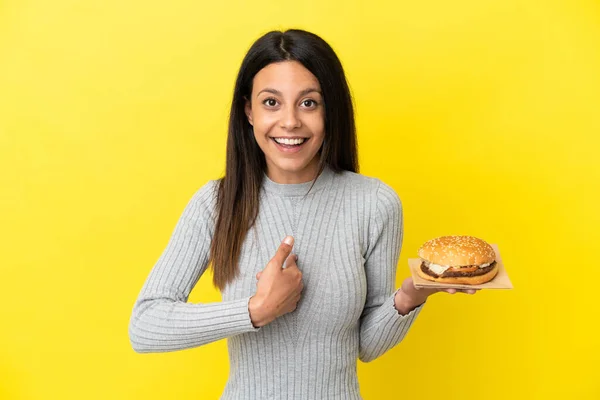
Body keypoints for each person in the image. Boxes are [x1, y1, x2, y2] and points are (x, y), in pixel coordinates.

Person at [128, 29, 476, 399]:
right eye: (271, 103)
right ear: (249, 111)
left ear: (331, 111)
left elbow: (366, 346)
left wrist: (410, 296)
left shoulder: (374, 203)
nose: (290, 121)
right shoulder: (216, 203)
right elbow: (145, 325)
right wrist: (256, 310)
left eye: (309, 103)